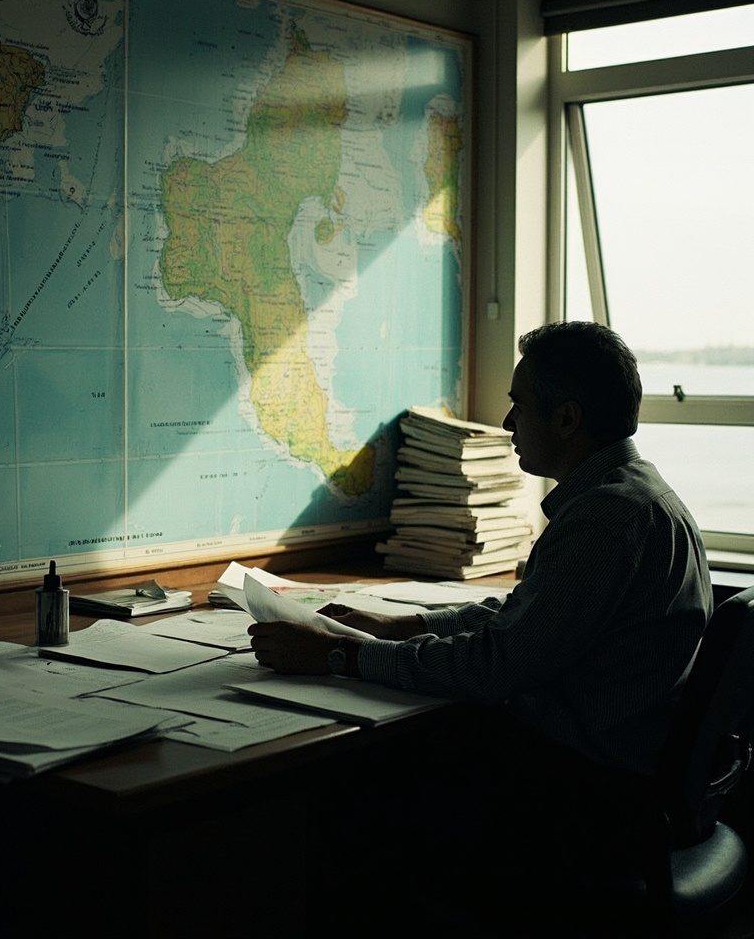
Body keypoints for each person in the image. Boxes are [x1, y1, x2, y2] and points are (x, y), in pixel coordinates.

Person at [250, 321, 712, 934]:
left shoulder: (607, 519)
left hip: (590, 797)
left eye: (519, 404)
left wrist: (337, 657)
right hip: (624, 774)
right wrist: (402, 623)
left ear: (567, 418)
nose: (506, 423)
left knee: (351, 787)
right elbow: (526, 617)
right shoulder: (636, 493)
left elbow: (498, 666)